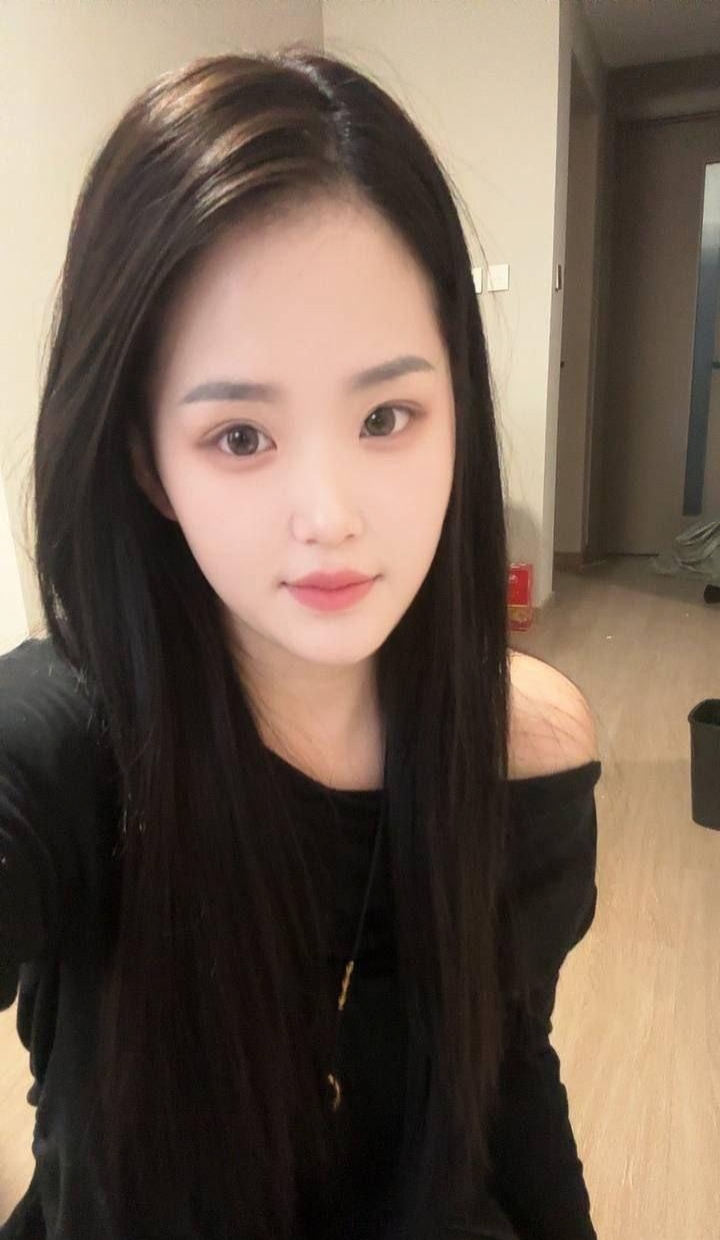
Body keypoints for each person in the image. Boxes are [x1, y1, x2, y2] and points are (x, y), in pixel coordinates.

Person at [0, 48, 601, 1240]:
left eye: (386, 415)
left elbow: (513, 1078)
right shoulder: (67, 743)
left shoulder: (520, 741)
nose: (328, 515)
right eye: (240, 436)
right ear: (147, 464)